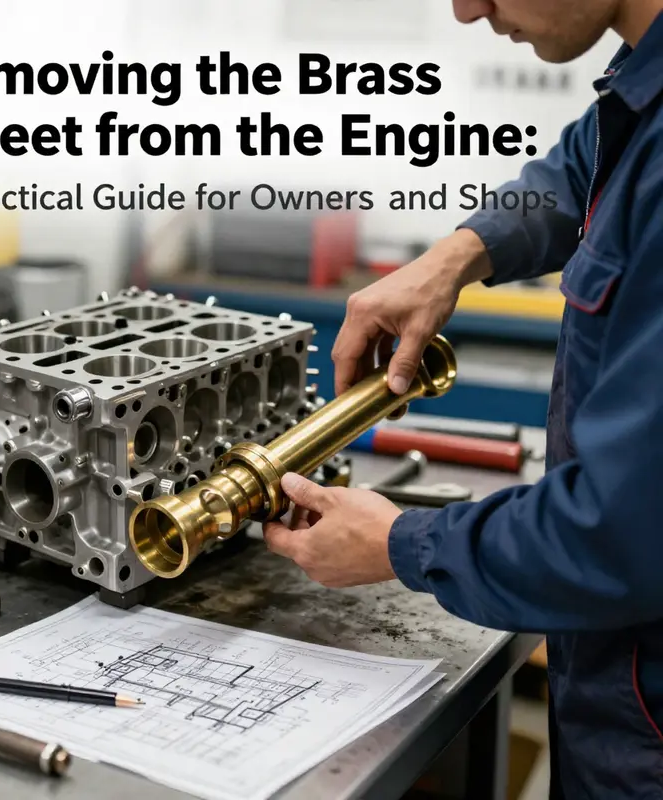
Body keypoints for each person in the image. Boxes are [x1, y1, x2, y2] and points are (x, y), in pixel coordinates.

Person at [262, 1, 663, 797]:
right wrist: (454, 256)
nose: (466, 7)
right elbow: (578, 170)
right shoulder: (642, 87)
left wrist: (403, 543)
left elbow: (620, 530)